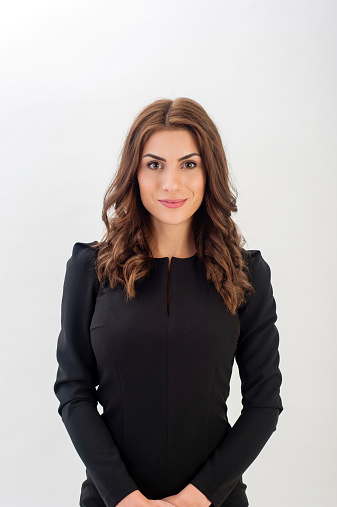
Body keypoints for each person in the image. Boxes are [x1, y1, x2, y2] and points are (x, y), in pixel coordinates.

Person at [54, 97, 283, 507]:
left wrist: (194, 499)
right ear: (134, 174)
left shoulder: (247, 275)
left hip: (215, 500)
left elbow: (263, 404)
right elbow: (74, 391)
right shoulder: (91, 269)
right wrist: (127, 498)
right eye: (154, 164)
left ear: (209, 172)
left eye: (189, 164)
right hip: (111, 501)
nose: (171, 184)